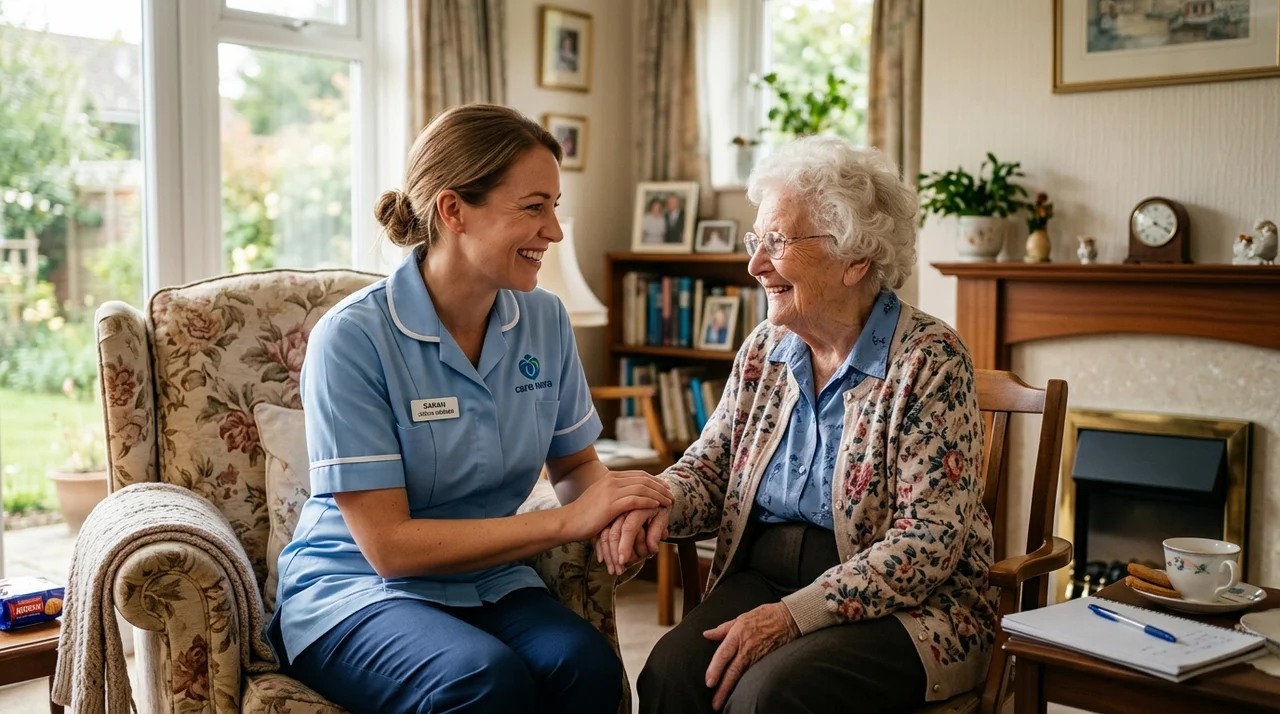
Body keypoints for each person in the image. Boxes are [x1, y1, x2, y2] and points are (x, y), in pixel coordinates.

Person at [268, 103, 674, 714]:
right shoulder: (352, 338)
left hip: (490, 581)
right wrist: (570, 521)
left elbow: (574, 468)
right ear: (453, 210)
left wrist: (616, 512)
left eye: (554, 207)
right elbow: (391, 548)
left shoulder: (544, 320)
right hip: (357, 589)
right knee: (482, 681)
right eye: (534, 207)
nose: (555, 232)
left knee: (585, 668)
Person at [598, 136, 997, 713]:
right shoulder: (767, 345)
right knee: (670, 673)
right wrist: (660, 501)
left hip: (910, 607)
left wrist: (795, 615)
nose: (756, 264)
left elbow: (927, 543)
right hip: (763, 574)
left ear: (855, 257)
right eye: (756, 241)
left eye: (777, 243)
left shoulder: (928, 359)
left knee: (770, 695)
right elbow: (712, 466)